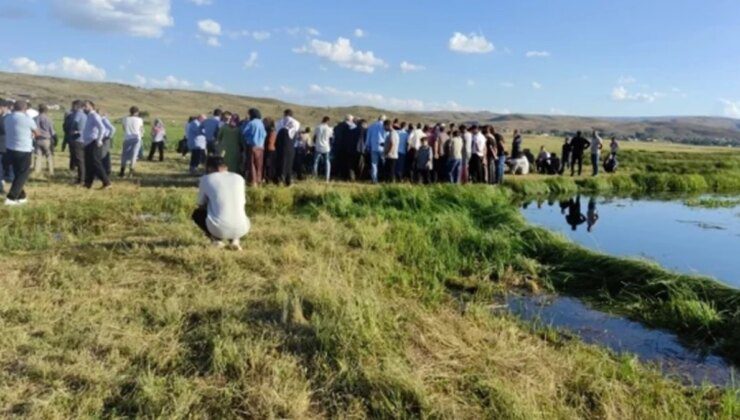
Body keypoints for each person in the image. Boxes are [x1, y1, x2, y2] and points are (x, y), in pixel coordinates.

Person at [193, 156, 250, 250]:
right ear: (225, 167)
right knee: (234, 207)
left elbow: (200, 203)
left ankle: (216, 240)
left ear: (209, 168)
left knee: (197, 214)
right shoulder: (239, 177)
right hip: (243, 228)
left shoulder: (206, 179)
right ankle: (235, 240)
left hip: (218, 229)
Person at [3, 101, 39, 205]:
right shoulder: (28, 119)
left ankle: (21, 196)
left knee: (17, 173)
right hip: (23, 149)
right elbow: (37, 133)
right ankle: (11, 197)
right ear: (25, 108)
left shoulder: (8, 118)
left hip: (10, 148)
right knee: (22, 174)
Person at [81, 101, 112, 189]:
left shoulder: (94, 115)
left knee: (96, 163)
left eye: (85, 106)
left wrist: (99, 139)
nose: (84, 108)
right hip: (87, 142)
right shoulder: (89, 116)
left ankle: (106, 182)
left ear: (91, 107)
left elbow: (101, 127)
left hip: (93, 142)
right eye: (83, 106)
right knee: (88, 163)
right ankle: (88, 183)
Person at [242, 108, 266, 187]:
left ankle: (253, 182)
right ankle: (259, 180)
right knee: (259, 165)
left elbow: (244, 132)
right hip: (261, 147)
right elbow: (265, 134)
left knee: (251, 164)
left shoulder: (251, 123)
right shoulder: (261, 123)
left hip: (252, 146)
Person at [275, 109, 300, 186]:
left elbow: (277, 134)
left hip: (281, 146)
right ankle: (288, 181)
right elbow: (296, 135)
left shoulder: (279, 123)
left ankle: (280, 180)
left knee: (281, 163)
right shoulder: (296, 123)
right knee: (289, 164)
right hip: (291, 146)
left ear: (285, 114)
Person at [66, 100, 87, 184]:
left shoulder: (78, 114)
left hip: (77, 139)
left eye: (73, 105)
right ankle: (81, 178)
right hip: (80, 139)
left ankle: (81, 179)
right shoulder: (83, 115)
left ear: (77, 106)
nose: (72, 107)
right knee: (79, 160)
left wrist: (76, 131)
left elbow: (76, 123)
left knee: (79, 160)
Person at [120, 106, 144, 177]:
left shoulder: (125, 119)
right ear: (137, 112)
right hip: (136, 138)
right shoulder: (139, 120)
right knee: (134, 155)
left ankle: (122, 170)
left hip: (127, 138)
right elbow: (141, 129)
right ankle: (131, 171)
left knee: (124, 155)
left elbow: (123, 128)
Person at [33, 104, 55, 176]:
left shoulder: (35, 118)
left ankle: (36, 171)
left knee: (37, 156)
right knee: (48, 155)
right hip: (46, 139)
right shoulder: (49, 119)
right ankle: (50, 171)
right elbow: (52, 130)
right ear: (46, 111)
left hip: (38, 138)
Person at [365, 115, 387, 184]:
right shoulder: (384, 126)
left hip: (373, 147)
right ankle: (385, 178)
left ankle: (374, 179)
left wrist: (367, 146)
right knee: (384, 163)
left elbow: (368, 137)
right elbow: (386, 136)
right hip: (382, 147)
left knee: (374, 164)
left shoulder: (371, 126)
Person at [333, 115, 355, 180]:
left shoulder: (337, 127)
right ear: (350, 120)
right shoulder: (351, 127)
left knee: (340, 162)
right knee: (347, 163)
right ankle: (347, 176)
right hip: (347, 147)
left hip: (338, 147)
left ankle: (340, 175)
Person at [313, 116, 333, 182]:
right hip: (326, 147)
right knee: (327, 162)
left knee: (316, 162)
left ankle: (315, 177)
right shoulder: (329, 129)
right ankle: (327, 178)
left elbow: (314, 137)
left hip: (318, 146)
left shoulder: (318, 127)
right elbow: (331, 138)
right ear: (328, 121)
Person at [262, 117, 277, 183]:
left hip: (270, 150)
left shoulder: (271, 130)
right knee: (267, 165)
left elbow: (270, 141)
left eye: (265, 122)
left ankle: (269, 179)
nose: (263, 123)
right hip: (268, 149)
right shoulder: (268, 129)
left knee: (269, 165)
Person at [101, 111, 116, 176]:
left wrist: (108, 136)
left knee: (103, 155)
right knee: (106, 155)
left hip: (105, 139)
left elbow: (113, 129)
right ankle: (107, 170)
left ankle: (106, 171)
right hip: (105, 139)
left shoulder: (103, 120)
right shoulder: (104, 119)